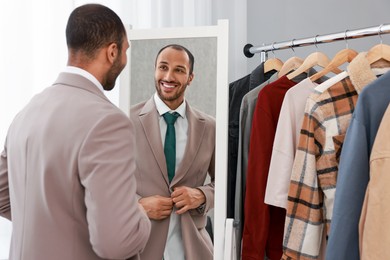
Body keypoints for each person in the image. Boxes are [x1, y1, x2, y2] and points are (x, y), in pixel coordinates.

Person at [0, 4, 151, 260]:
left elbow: (3, 196)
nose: (125, 59)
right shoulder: (108, 122)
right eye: (125, 51)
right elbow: (116, 244)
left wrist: (56, 224)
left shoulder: (27, 111)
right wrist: (141, 214)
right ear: (112, 52)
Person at [130, 44, 215, 260]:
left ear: (190, 77)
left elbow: (225, 183)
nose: (169, 76)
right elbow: (108, 185)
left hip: (193, 248)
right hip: (140, 246)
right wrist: (139, 206)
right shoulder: (125, 121)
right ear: (154, 70)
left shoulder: (210, 127)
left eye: (179, 70)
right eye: (163, 67)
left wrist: (202, 195)